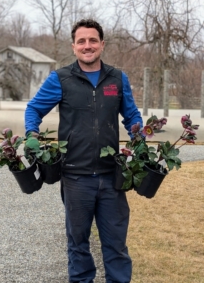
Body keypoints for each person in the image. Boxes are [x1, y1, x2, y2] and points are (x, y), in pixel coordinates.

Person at [25, 19, 143, 283]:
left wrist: (140, 136)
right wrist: (32, 134)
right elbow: (33, 109)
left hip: (112, 177)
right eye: (81, 41)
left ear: (102, 44)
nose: (87, 46)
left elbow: (132, 115)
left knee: (116, 245)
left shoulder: (117, 78)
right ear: (73, 46)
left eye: (92, 40)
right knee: (78, 244)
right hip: (75, 177)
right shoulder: (60, 79)